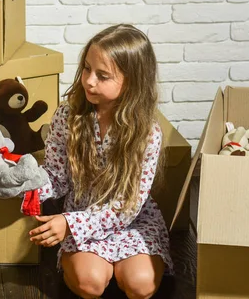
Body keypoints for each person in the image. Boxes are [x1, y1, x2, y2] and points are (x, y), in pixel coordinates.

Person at [28, 24, 173, 299]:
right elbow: (57, 176)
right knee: (89, 283)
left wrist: (69, 224)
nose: (89, 81)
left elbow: (128, 206)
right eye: (86, 69)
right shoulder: (68, 115)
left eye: (103, 76)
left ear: (132, 81)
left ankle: (126, 264)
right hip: (82, 209)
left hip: (131, 219)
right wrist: (27, 185)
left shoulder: (147, 133)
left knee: (140, 285)